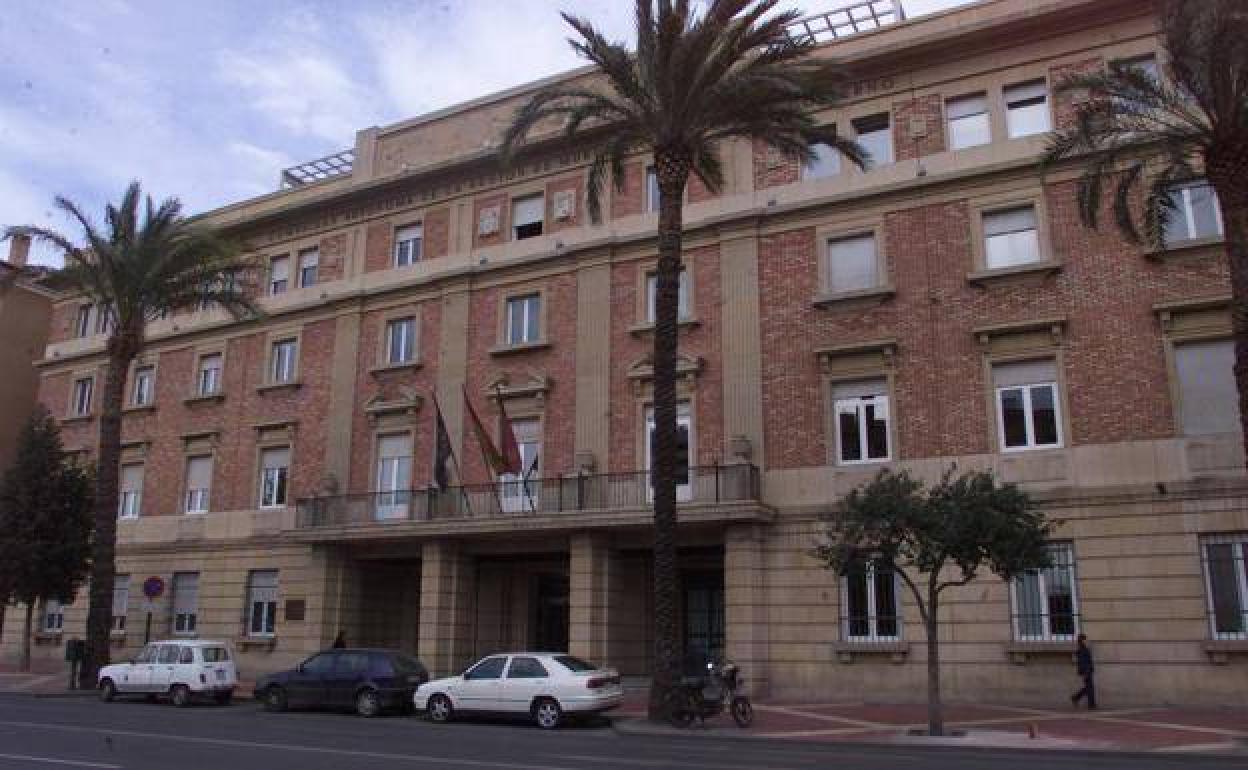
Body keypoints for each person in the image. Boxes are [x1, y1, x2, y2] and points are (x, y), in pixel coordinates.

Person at [1070, 633, 1096, 710]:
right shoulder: (1082, 650)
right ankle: (1091, 705)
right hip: (1086, 671)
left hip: (1087, 670)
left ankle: (1076, 698)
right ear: (1082, 640)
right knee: (1090, 688)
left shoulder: (1084, 649)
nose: (1087, 641)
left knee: (1089, 688)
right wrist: (1086, 672)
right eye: (1085, 639)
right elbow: (1083, 662)